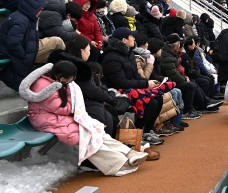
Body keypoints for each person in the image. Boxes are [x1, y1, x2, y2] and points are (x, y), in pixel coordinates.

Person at [19, 61, 148, 176]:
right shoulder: (45, 86)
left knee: (94, 128)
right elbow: (63, 109)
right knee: (84, 136)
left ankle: (127, 153)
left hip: (57, 117)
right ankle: (116, 163)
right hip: (47, 120)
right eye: (70, 79)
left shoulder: (55, 81)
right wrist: (72, 95)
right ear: (62, 77)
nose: (72, 82)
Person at [101, 27, 169, 146]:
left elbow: (135, 75)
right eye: (131, 37)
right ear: (124, 40)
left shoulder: (129, 53)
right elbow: (120, 83)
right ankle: (137, 132)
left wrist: (148, 84)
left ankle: (147, 131)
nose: (133, 38)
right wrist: (145, 84)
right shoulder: (111, 58)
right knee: (151, 103)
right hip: (117, 92)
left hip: (129, 88)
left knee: (158, 96)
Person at [0, 0, 48, 91]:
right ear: (31, 7)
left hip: (22, 56)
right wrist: (23, 55)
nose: (41, 10)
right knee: (22, 83)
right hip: (16, 56)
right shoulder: (21, 20)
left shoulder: (28, 18)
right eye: (40, 8)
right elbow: (13, 42)